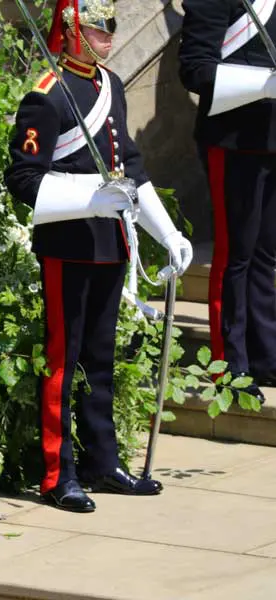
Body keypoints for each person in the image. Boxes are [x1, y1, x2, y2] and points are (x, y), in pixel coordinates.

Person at [4, 0, 194, 512]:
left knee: (101, 362)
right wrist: (91, 194)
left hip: (109, 243)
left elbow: (129, 163)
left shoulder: (109, 86)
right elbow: (22, 179)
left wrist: (167, 232)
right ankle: (56, 473)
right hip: (67, 246)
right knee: (62, 365)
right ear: (70, 31)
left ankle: (102, 461)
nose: (108, 33)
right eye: (96, 26)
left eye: (111, 26)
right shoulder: (47, 95)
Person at [179, 0, 276, 402]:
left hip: (272, 139)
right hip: (231, 141)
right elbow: (195, 68)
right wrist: (263, 84)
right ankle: (230, 363)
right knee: (233, 256)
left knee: (266, 254)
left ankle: (265, 355)